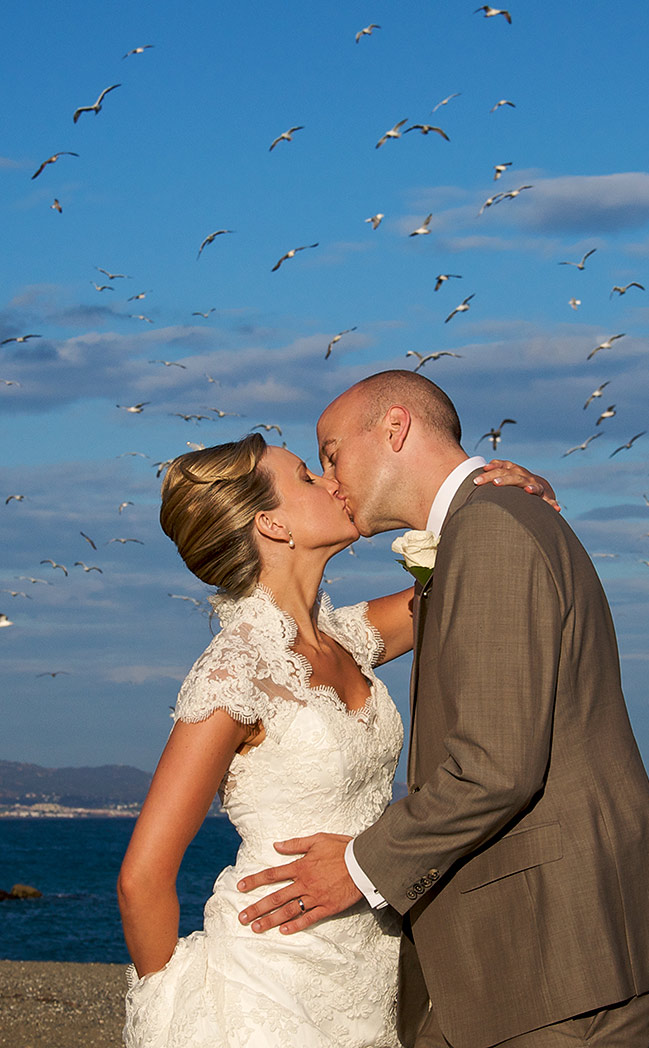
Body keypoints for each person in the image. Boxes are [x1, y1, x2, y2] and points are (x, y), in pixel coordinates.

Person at [235, 371, 649, 1047]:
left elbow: (495, 768)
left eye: (331, 454)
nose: (330, 478)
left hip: (556, 955)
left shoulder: (491, 529)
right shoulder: (487, 526)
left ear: (396, 428)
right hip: (514, 955)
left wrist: (356, 868)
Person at [119, 432, 555, 1048]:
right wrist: (174, 1009)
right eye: (306, 476)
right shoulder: (233, 672)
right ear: (271, 525)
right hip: (263, 988)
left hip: (371, 971)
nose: (331, 482)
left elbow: (466, 579)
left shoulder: (347, 638)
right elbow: (142, 878)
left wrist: (514, 499)